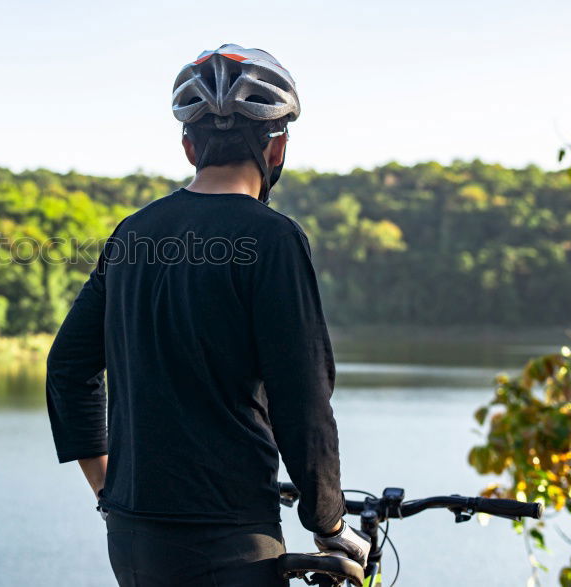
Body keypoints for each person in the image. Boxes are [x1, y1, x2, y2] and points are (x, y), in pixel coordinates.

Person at [46, 44, 369, 585]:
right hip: (228, 536)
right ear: (277, 148)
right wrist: (328, 521)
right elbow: (302, 399)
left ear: (188, 145)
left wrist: (110, 490)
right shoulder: (273, 238)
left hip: (132, 536)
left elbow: (67, 368)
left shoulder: (134, 234)